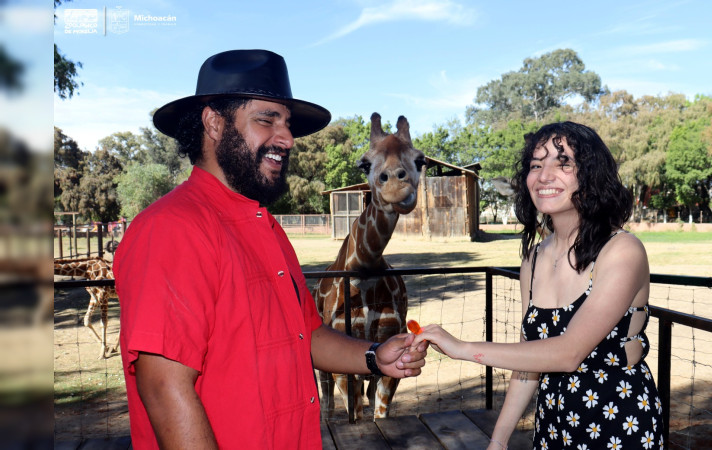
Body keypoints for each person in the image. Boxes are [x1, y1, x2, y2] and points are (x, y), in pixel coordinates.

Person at [114, 49, 427, 450]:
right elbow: (163, 389)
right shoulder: (173, 228)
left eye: (288, 123)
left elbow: (306, 334)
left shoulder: (264, 227)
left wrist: (374, 356)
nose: (287, 138)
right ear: (213, 122)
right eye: (267, 119)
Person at [412, 122, 664, 450]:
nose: (544, 175)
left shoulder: (621, 251)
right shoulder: (533, 258)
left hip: (617, 423)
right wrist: (498, 441)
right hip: (553, 424)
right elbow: (527, 361)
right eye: (535, 165)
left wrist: (463, 349)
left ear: (591, 175)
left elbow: (568, 353)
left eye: (563, 163)